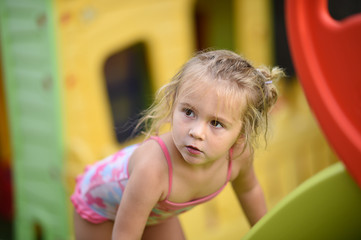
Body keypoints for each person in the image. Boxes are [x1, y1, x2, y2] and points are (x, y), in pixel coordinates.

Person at [71, 49, 284, 240]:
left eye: (216, 123)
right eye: (189, 112)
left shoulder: (238, 156)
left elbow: (249, 191)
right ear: (174, 103)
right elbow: (125, 235)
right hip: (100, 211)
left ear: (241, 133)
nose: (196, 132)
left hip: (154, 209)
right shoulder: (153, 170)